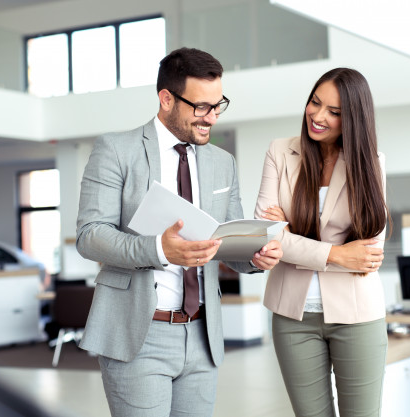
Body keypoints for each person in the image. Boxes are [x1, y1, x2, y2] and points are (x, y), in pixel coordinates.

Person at [76, 47, 282, 417]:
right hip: (139, 334)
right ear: (166, 98)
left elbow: (227, 241)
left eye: (218, 105)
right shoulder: (116, 150)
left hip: (203, 336)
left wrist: (255, 256)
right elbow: (90, 235)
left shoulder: (223, 162)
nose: (212, 118)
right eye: (201, 107)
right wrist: (159, 250)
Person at [255, 67, 389, 417]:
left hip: (357, 315)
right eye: (315, 103)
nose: (317, 116)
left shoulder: (371, 164)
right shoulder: (280, 152)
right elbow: (266, 236)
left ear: (354, 119)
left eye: (334, 112)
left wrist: (292, 242)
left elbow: (369, 252)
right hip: (292, 317)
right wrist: (336, 254)